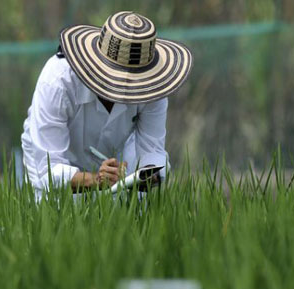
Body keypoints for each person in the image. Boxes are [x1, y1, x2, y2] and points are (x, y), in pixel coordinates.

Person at [20, 11, 193, 198]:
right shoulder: (58, 80)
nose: (124, 86)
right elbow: (47, 169)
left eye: (134, 80)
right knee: (54, 217)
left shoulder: (154, 89)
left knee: (129, 216)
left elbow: (152, 150)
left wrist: (149, 175)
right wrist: (95, 179)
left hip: (116, 160)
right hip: (55, 159)